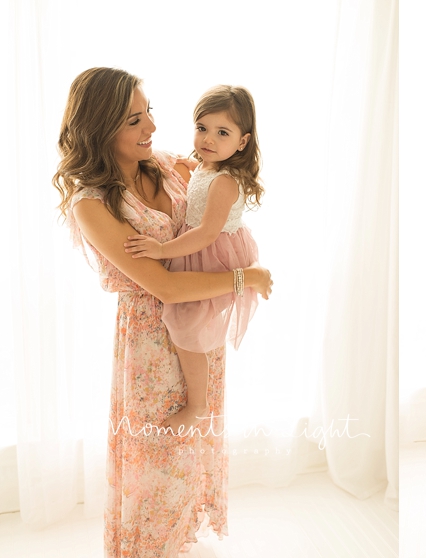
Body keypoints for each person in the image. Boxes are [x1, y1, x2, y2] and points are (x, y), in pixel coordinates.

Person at [52, 67, 273, 556]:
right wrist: (246, 279)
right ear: (100, 128)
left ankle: (178, 541)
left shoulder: (170, 165)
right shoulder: (91, 204)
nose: (151, 126)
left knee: (191, 449)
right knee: (156, 457)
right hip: (151, 343)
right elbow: (165, 288)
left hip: (199, 328)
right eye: (134, 119)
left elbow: (220, 199)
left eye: (149, 111)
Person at [123, 85, 264, 435]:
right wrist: (193, 165)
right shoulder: (205, 166)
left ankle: (198, 405)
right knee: (188, 324)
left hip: (212, 253)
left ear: (242, 142)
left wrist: (160, 251)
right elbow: (194, 179)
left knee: (186, 326)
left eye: (223, 133)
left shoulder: (225, 183)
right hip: (199, 248)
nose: (208, 140)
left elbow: (204, 234)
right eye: (202, 128)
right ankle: (199, 401)